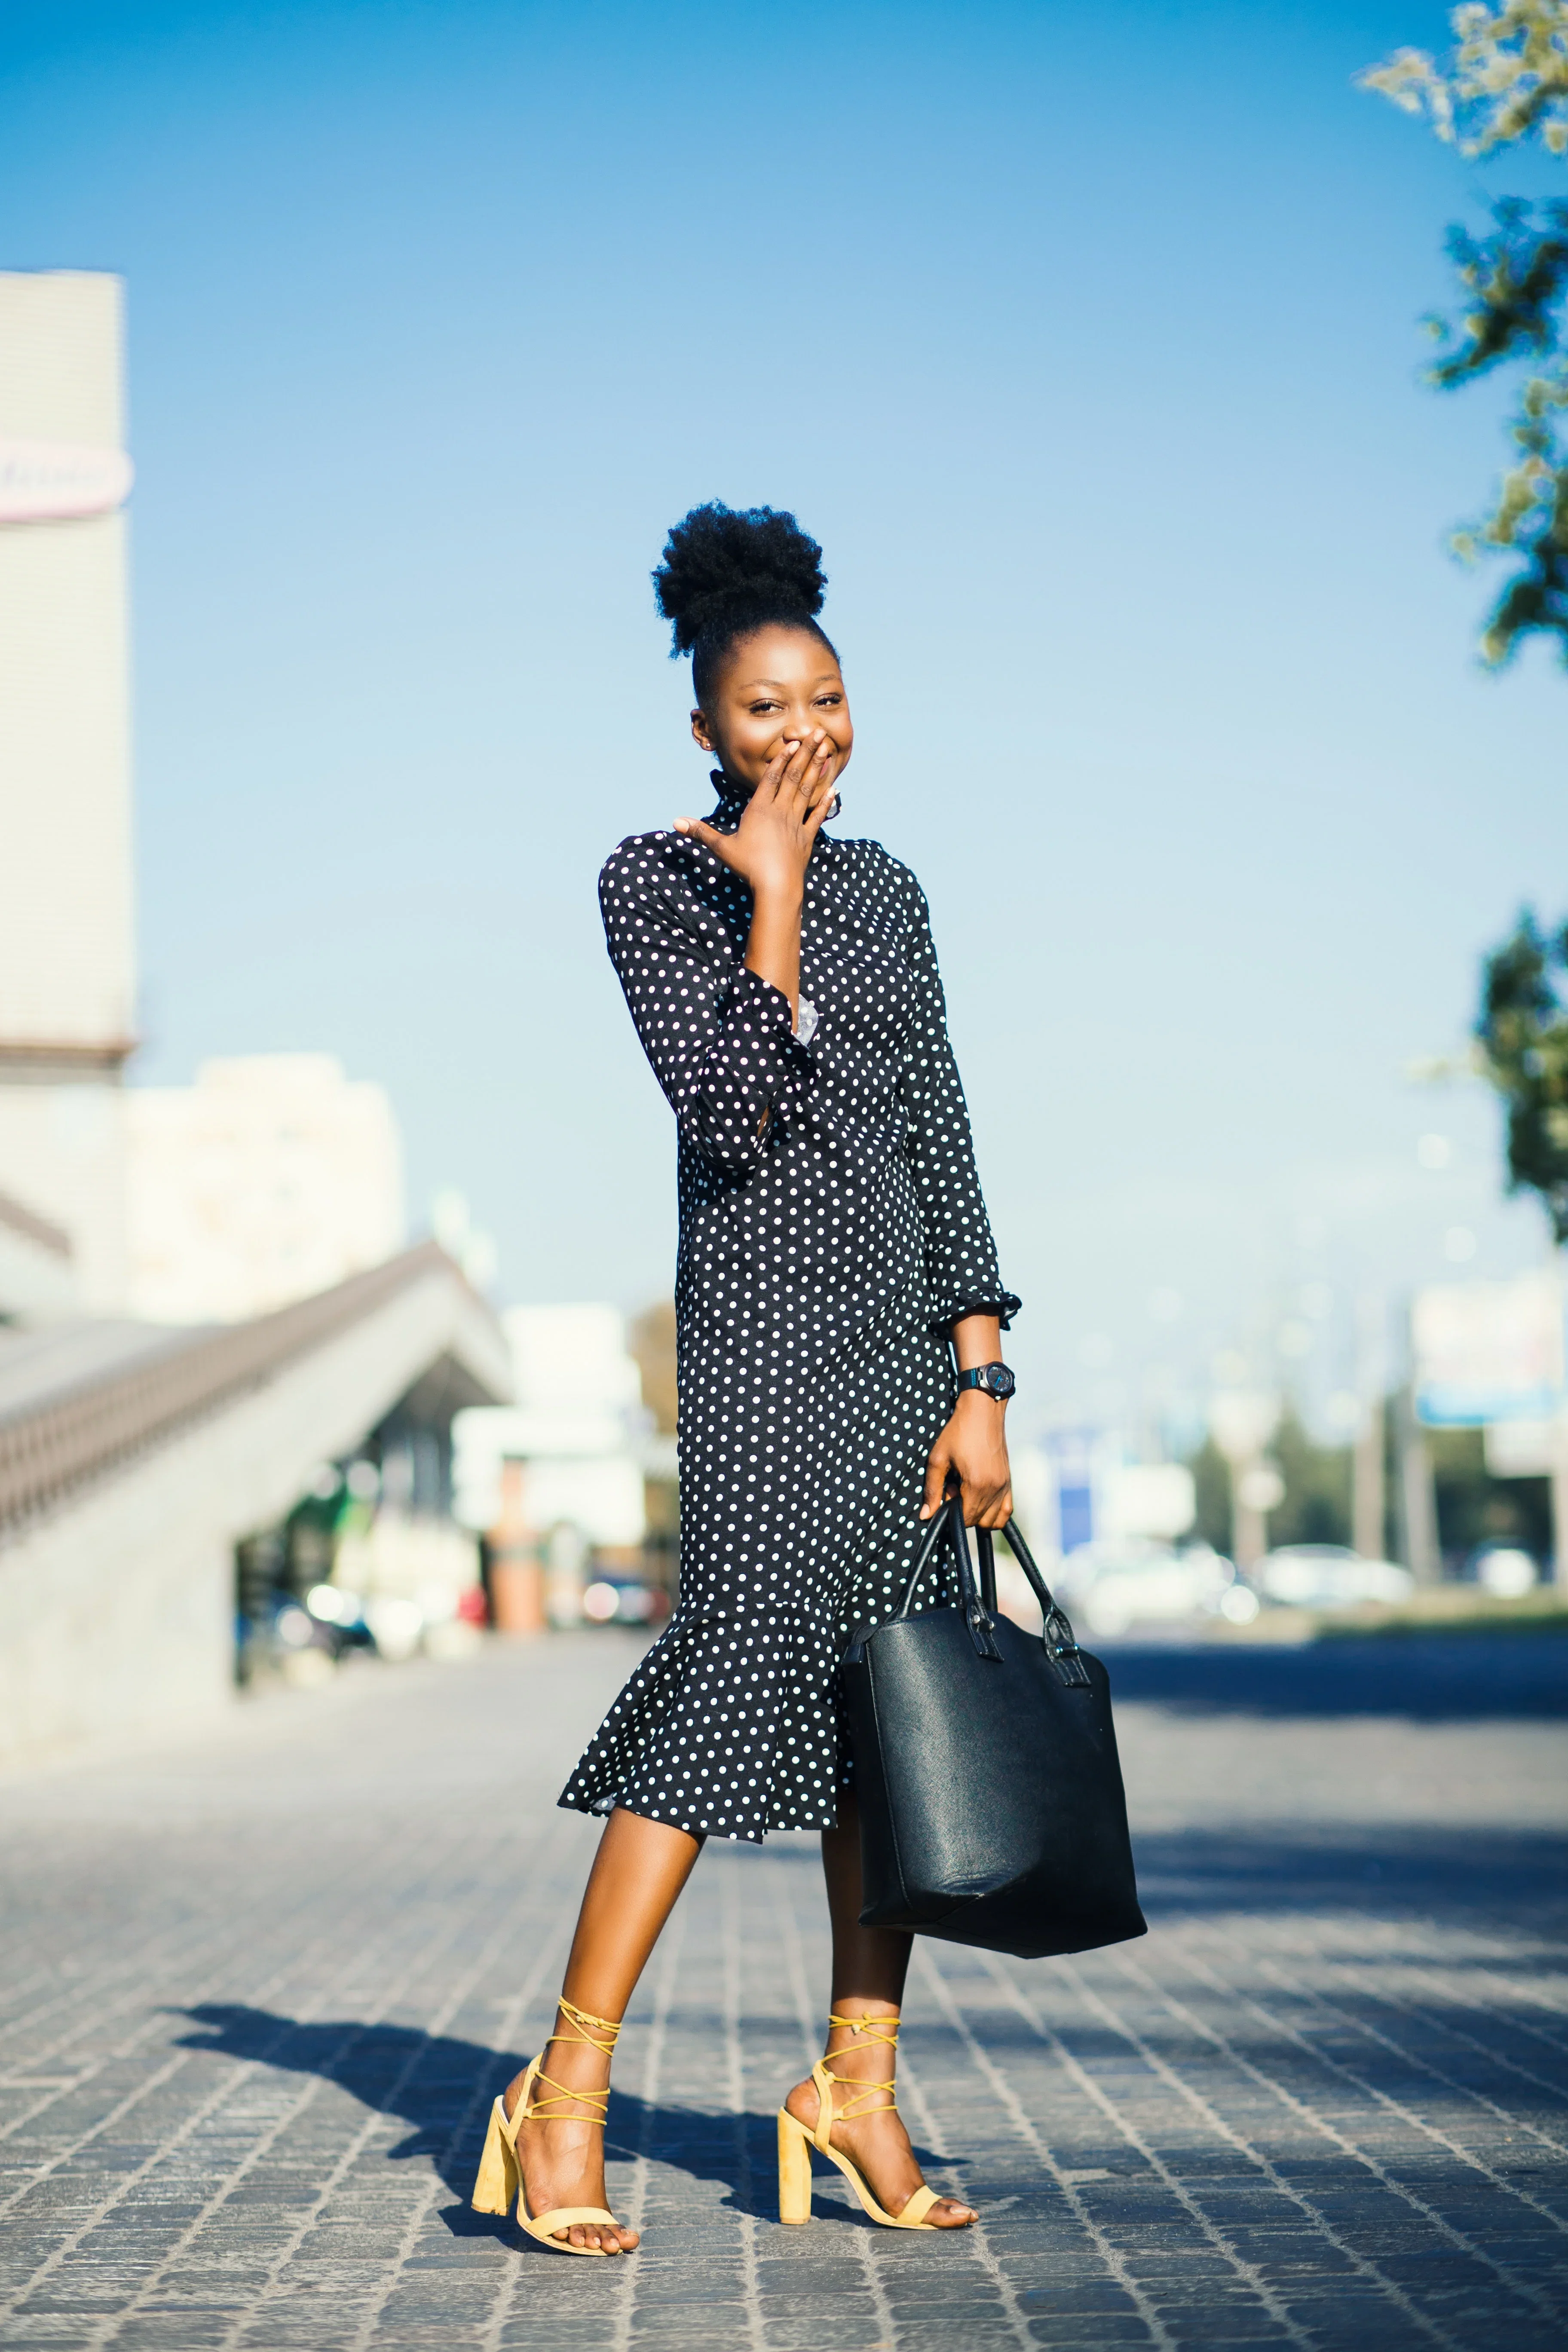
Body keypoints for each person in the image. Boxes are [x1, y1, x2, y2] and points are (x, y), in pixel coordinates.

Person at [472, 502, 1020, 2256]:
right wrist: (770, 898)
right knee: (724, 1697)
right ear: (706, 728)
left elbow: (939, 1129)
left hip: (902, 1359)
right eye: (771, 710)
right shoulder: (655, 879)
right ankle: (561, 2097)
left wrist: (984, 1363)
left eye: (831, 701)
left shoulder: (897, 892)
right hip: (768, 1357)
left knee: (891, 1725)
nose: (810, 736)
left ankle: (852, 2088)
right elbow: (731, 1114)